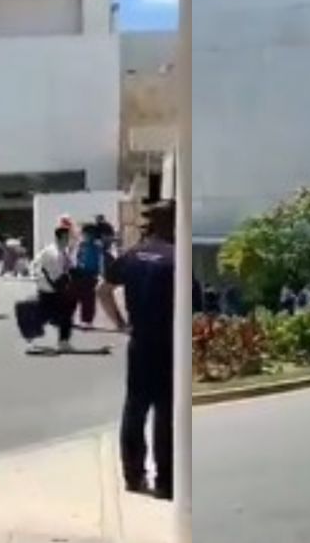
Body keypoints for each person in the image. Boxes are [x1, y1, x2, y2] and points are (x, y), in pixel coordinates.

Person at [97, 201, 175, 500]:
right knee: (165, 412)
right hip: (168, 343)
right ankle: (165, 481)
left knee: (135, 407)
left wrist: (120, 323)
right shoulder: (176, 259)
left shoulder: (132, 255)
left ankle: (133, 475)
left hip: (140, 341)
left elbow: (102, 290)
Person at [34, 226, 75, 352]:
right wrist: (62, 286)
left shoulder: (60, 251)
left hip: (50, 288)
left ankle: (62, 341)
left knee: (58, 315)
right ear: (60, 238)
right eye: (66, 237)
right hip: (51, 289)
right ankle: (63, 342)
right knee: (64, 315)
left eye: (69, 237)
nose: (68, 240)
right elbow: (53, 274)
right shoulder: (53, 253)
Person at [73, 224, 103, 329]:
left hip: (90, 274)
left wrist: (100, 274)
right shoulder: (81, 245)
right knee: (74, 296)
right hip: (79, 273)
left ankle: (86, 320)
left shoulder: (96, 247)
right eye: (83, 234)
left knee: (88, 298)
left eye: (86, 234)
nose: (84, 236)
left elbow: (100, 261)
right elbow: (77, 258)